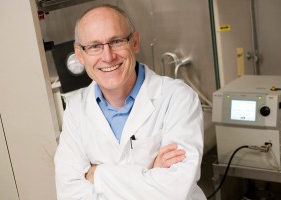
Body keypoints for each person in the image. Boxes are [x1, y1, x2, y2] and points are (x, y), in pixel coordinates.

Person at [54, 4, 206, 200]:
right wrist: (150, 174)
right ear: (80, 54)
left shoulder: (177, 98)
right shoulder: (75, 110)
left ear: (135, 42)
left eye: (116, 41)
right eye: (94, 46)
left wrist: (97, 175)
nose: (107, 56)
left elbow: (175, 190)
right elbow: (70, 194)